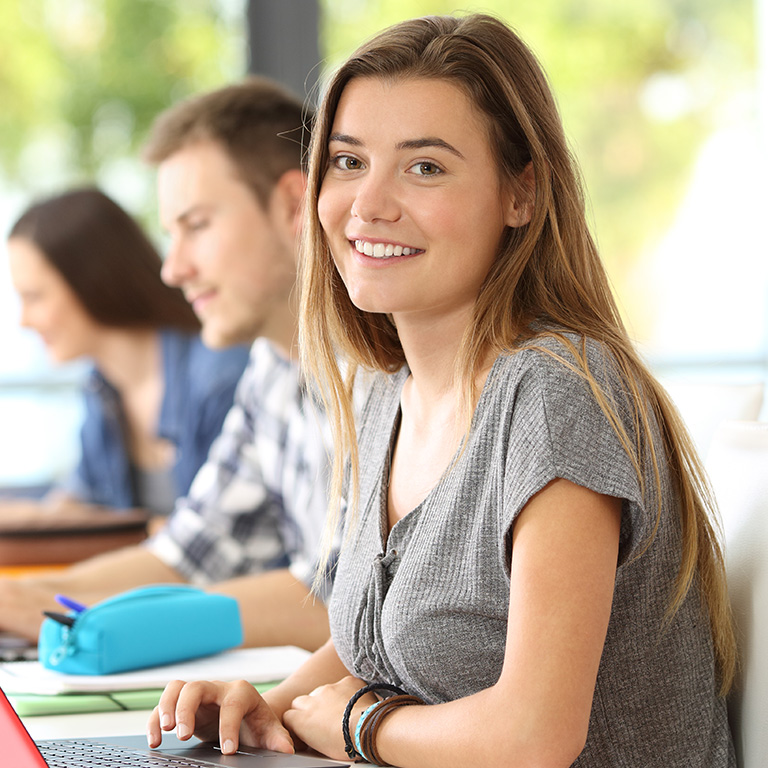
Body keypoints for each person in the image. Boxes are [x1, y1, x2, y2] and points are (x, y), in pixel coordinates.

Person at [147, 14, 737, 767]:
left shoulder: (555, 394)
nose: (369, 204)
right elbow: (382, 640)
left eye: (424, 167)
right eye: (349, 161)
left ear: (520, 194)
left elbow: (535, 737)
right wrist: (273, 709)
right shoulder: (383, 393)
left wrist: (361, 725)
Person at [0, 77, 332, 652]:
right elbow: (189, 554)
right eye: (169, 234)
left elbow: (351, 602)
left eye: (197, 226)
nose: (172, 270)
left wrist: (90, 620)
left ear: (292, 207)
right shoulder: (270, 373)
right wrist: (44, 596)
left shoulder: (389, 372)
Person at [3, 187, 249, 516]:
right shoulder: (101, 388)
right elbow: (81, 502)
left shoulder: (221, 376)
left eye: (34, 297)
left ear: (92, 282)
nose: (23, 321)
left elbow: (214, 537)